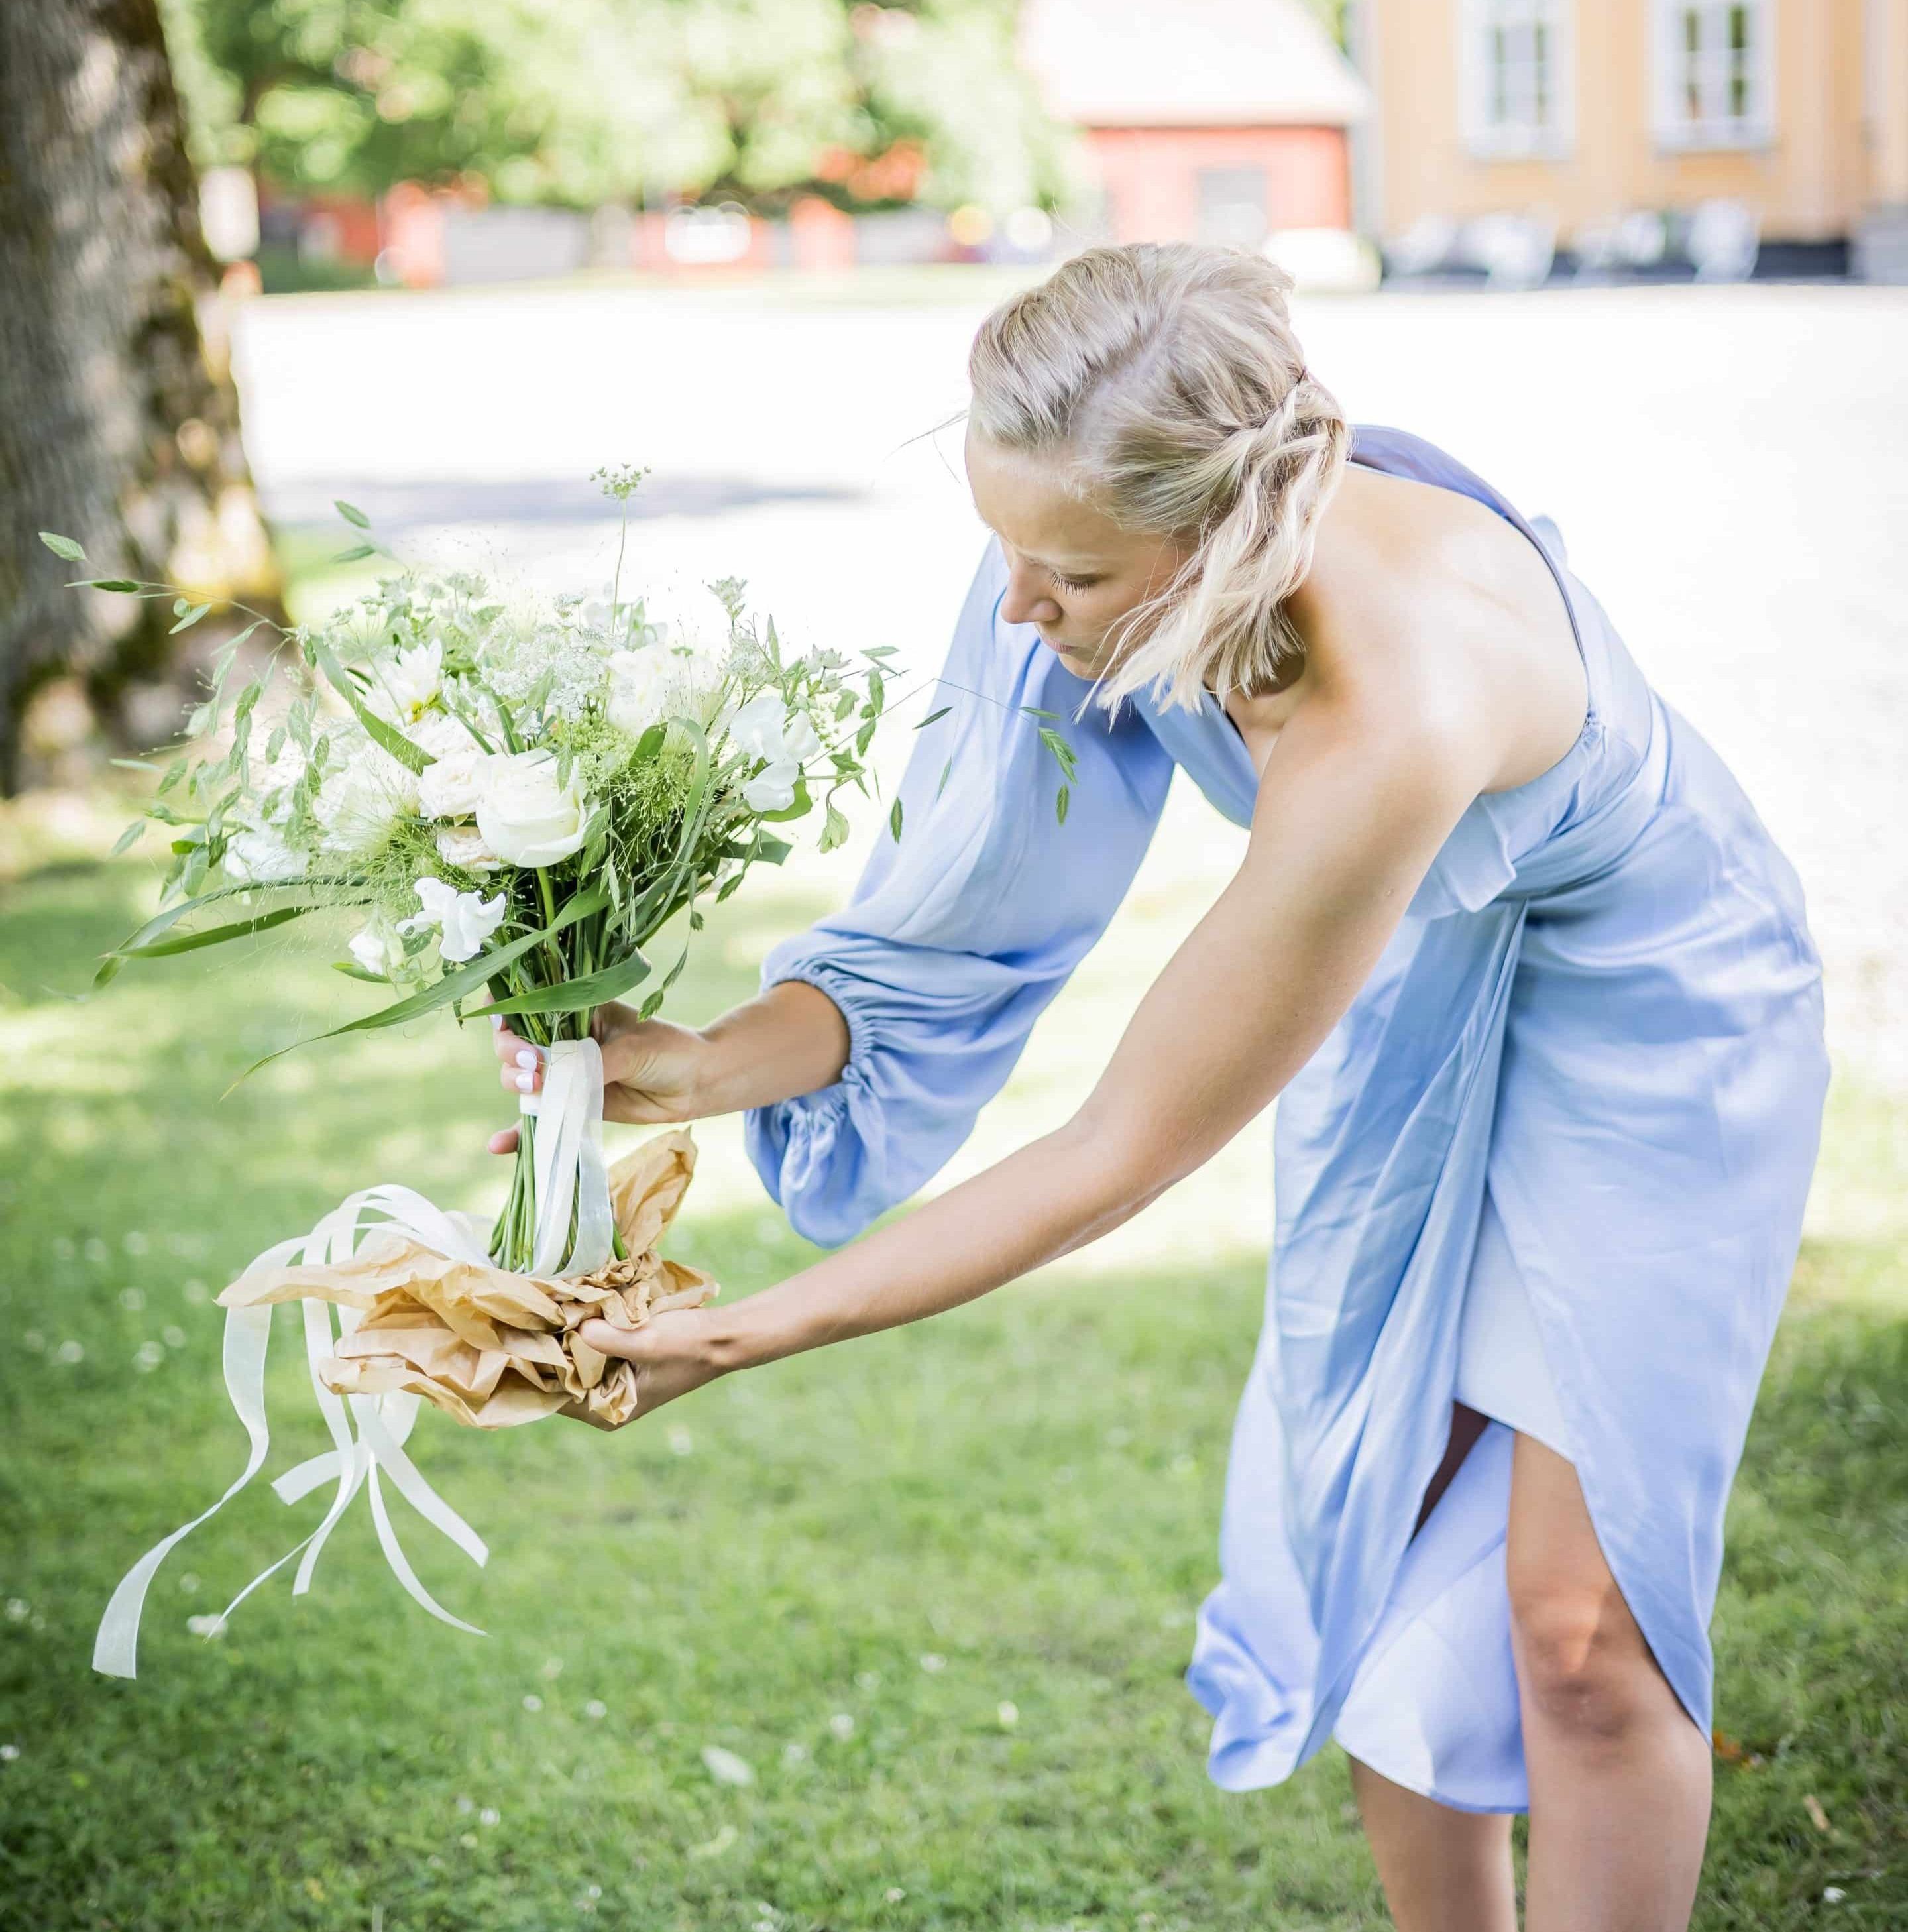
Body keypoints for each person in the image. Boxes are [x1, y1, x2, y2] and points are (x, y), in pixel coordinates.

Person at [488, 244, 1827, 1930]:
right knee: (1377, 1527)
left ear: (1230, 538)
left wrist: (738, 1331)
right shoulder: (1097, 557)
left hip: (1657, 1027)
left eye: (1067, 572)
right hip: (1411, 990)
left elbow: (1117, 1151)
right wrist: (688, 1072)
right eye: (1002, 547)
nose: (1018, 609)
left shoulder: (1398, 703)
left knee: (1577, 1623)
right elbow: (963, 931)